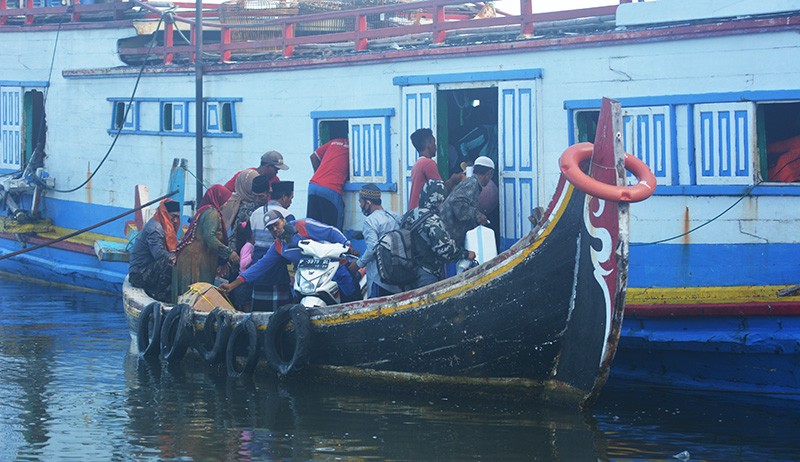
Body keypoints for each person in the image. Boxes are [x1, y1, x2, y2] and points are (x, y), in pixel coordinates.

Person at [220, 210, 361, 306]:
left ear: (283, 221)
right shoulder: (279, 246)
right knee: (295, 300)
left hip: (334, 268)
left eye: (276, 224)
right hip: (310, 279)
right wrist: (232, 285)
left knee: (350, 295)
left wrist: (347, 246)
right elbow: (259, 267)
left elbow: (331, 232)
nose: (275, 229)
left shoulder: (302, 226)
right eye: (271, 228)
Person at [171, 185, 240, 302]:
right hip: (196, 260)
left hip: (192, 257)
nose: (227, 204)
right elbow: (210, 237)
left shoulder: (205, 210)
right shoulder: (212, 213)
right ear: (218, 198)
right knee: (196, 298)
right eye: (225, 200)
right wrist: (229, 253)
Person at [401, 179, 474, 289]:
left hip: (408, 271)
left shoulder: (409, 214)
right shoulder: (432, 220)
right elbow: (445, 250)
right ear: (439, 198)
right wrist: (465, 253)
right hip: (426, 274)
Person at [248, 181, 296, 311]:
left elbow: (251, 239)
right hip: (278, 268)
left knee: (258, 312)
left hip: (258, 268)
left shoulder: (255, 213)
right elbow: (290, 245)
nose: (290, 202)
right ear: (284, 197)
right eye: (290, 198)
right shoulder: (286, 216)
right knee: (279, 313)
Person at [349, 184, 402, 298]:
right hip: (398, 276)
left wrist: (358, 264)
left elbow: (373, 248)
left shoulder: (370, 221)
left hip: (379, 279)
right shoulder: (395, 216)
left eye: (361, 202)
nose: (360, 206)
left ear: (368, 202)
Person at [128, 198, 180, 302]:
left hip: (149, 269)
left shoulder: (165, 225)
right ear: (165, 214)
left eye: (177, 217)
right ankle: (159, 294)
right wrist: (176, 257)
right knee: (169, 262)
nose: (175, 220)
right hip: (138, 274)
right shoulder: (155, 229)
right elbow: (158, 254)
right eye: (173, 216)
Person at [439, 155, 494, 249]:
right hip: (447, 231)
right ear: (489, 173)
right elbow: (457, 202)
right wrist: (477, 215)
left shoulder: (470, 181)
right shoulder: (473, 183)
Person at [307, 128, 349, 230]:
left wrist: (320, 174)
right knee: (332, 230)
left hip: (314, 185)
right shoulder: (356, 147)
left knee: (313, 227)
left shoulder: (334, 142)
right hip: (331, 189)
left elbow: (313, 156)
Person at [223, 173, 270, 247]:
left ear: (268, 194)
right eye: (255, 196)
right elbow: (235, 233)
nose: (257, 199)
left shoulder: (272, 210)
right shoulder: (246, 209)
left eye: (261, 196)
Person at [408, 128, 442, 211]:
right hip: (423, 214)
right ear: (429, 144)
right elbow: (440, 190)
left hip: (414, 213)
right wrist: (454, 179)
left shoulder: (417, 164)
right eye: (434, 143)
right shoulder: (428, 163)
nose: (436, 146)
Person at [224, 150, 288, 193]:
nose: (277, 172)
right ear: (267, 166)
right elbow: (224, 192)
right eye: (276, 169)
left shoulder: (275, 180)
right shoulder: (245, 176)